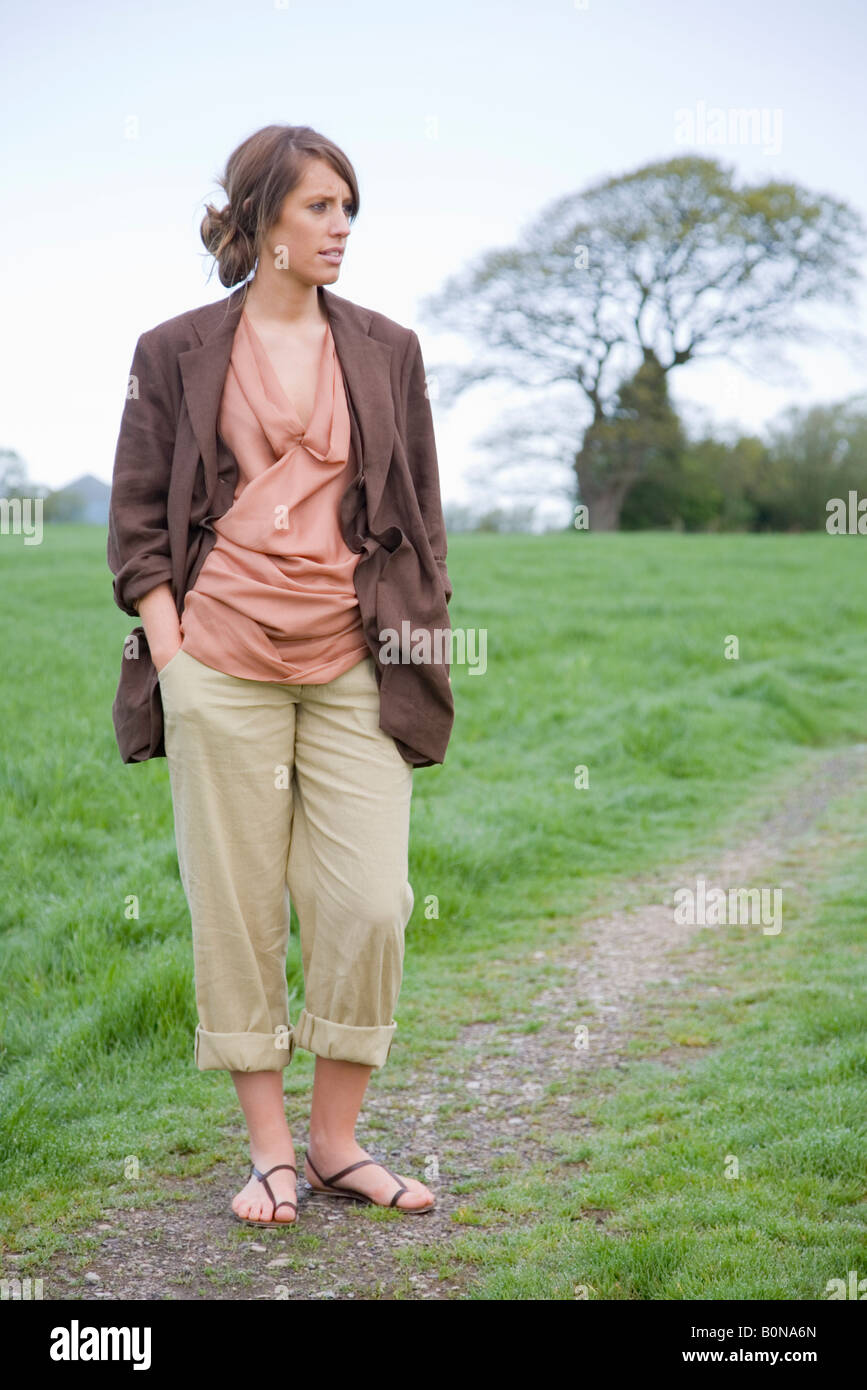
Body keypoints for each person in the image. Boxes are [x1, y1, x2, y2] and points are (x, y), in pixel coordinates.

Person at [107, 124, 455, 1225]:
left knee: (370, 903)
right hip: (221, 663)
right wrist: (175, 651)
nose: (342, 227)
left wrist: (419, 643)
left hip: (355, 655)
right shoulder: (173, 350)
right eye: (319, 207)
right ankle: (271, 1154)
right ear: (261, 216)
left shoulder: (388, 346)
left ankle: (338, 1140)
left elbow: (423, 523)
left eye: (349, 208)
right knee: (238, 908)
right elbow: (135, 521)